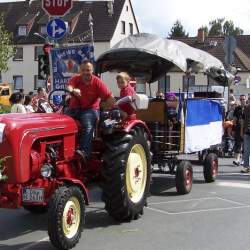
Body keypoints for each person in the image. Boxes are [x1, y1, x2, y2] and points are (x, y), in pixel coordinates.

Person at [66, 60, 115, 160]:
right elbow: (69, 87)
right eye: (83, 70)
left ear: (92, 70)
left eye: (88, 70)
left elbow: (109, 97)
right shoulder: (76, 79)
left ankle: (84, 153)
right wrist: (73, 90)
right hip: (74, 108)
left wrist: (115, 107)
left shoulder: (97, 82)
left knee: (87, 125)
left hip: (90, 109)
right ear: (80, 70)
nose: (85, 72)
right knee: (62, 123)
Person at [233, 94, 246, 166]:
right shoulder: (237, 108)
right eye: (241, 99)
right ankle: (237, 160)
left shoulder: (248, 107)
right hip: (238, 128)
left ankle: (244, 160)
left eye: (243, 99)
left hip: (246, 128)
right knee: (238, 144)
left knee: (245, 145)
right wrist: (233, 127)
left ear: (245, 99)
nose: (242, 101)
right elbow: (234, 119)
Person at [241, 102, 250, 173]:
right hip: (247, 132)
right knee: (246, 150)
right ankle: (246, 166)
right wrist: (241, 131)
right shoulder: (246, 108)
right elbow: (242, 120)